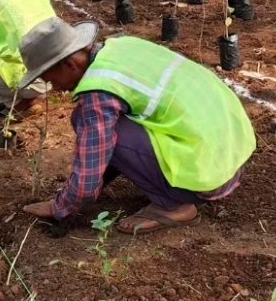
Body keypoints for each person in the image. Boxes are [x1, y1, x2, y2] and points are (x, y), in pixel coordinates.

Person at [18, 17, 256, 232]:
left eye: (50, 80)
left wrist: (60, 206)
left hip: (207, 174)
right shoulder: (121, 46)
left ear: (70, 64)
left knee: (94, 123)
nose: (55, 89)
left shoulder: (98, 95)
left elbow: (86, 183)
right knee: (104, 129)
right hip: (231, 152)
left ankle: (174, 206)